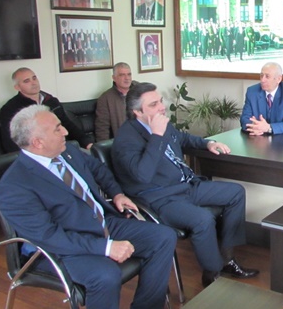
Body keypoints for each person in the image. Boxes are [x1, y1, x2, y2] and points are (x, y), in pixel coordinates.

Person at [0, 105, 177, 309]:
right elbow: (49, 236)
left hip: (100, 223)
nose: (65, 132)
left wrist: (117, 193)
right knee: (105, 275)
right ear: (38, 142)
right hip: (57, 249)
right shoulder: (14, 186)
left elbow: (99, 170)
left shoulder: (68, 152)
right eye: (57, 129)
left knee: (163, 237)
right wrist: (106, 247)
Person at [111, 82, 259, 287]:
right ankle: (212, 273)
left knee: (235, 192)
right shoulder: (125, 139)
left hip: (185, 186)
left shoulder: (161, 123)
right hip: (159, 198)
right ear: (137, 112)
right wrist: (156, 136)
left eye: (160, 101)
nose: (161, 107)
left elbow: (183, 138)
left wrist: (208, 143)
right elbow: (142, 175)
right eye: (153, 104)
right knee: (202, 219)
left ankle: (227, 259)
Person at [0, 67, 94, 152]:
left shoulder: (51, 101)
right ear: (17, 87)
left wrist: (86, 142)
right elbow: (10, 142)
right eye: (27, 81)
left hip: (62, 148)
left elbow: (67, 124)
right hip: (37, 153)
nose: (33, 83)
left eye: (34, 78)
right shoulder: (10, 109)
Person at [240, 62, 283, 135]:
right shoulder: (252, 92)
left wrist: (269, 128)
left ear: (278, 79)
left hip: (281, 139)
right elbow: (244, 118)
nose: (262, 80)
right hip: (257, 137)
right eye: (261, 76)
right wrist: (255, 127)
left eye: (267, 76)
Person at [95, 63, 137, 141]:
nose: (127, 78)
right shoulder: (105, 99)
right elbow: (102, 128)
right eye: (122, 75)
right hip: (124, 141)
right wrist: (104, 146)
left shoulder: (139, 90)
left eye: (129, 74)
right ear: (114, 78)